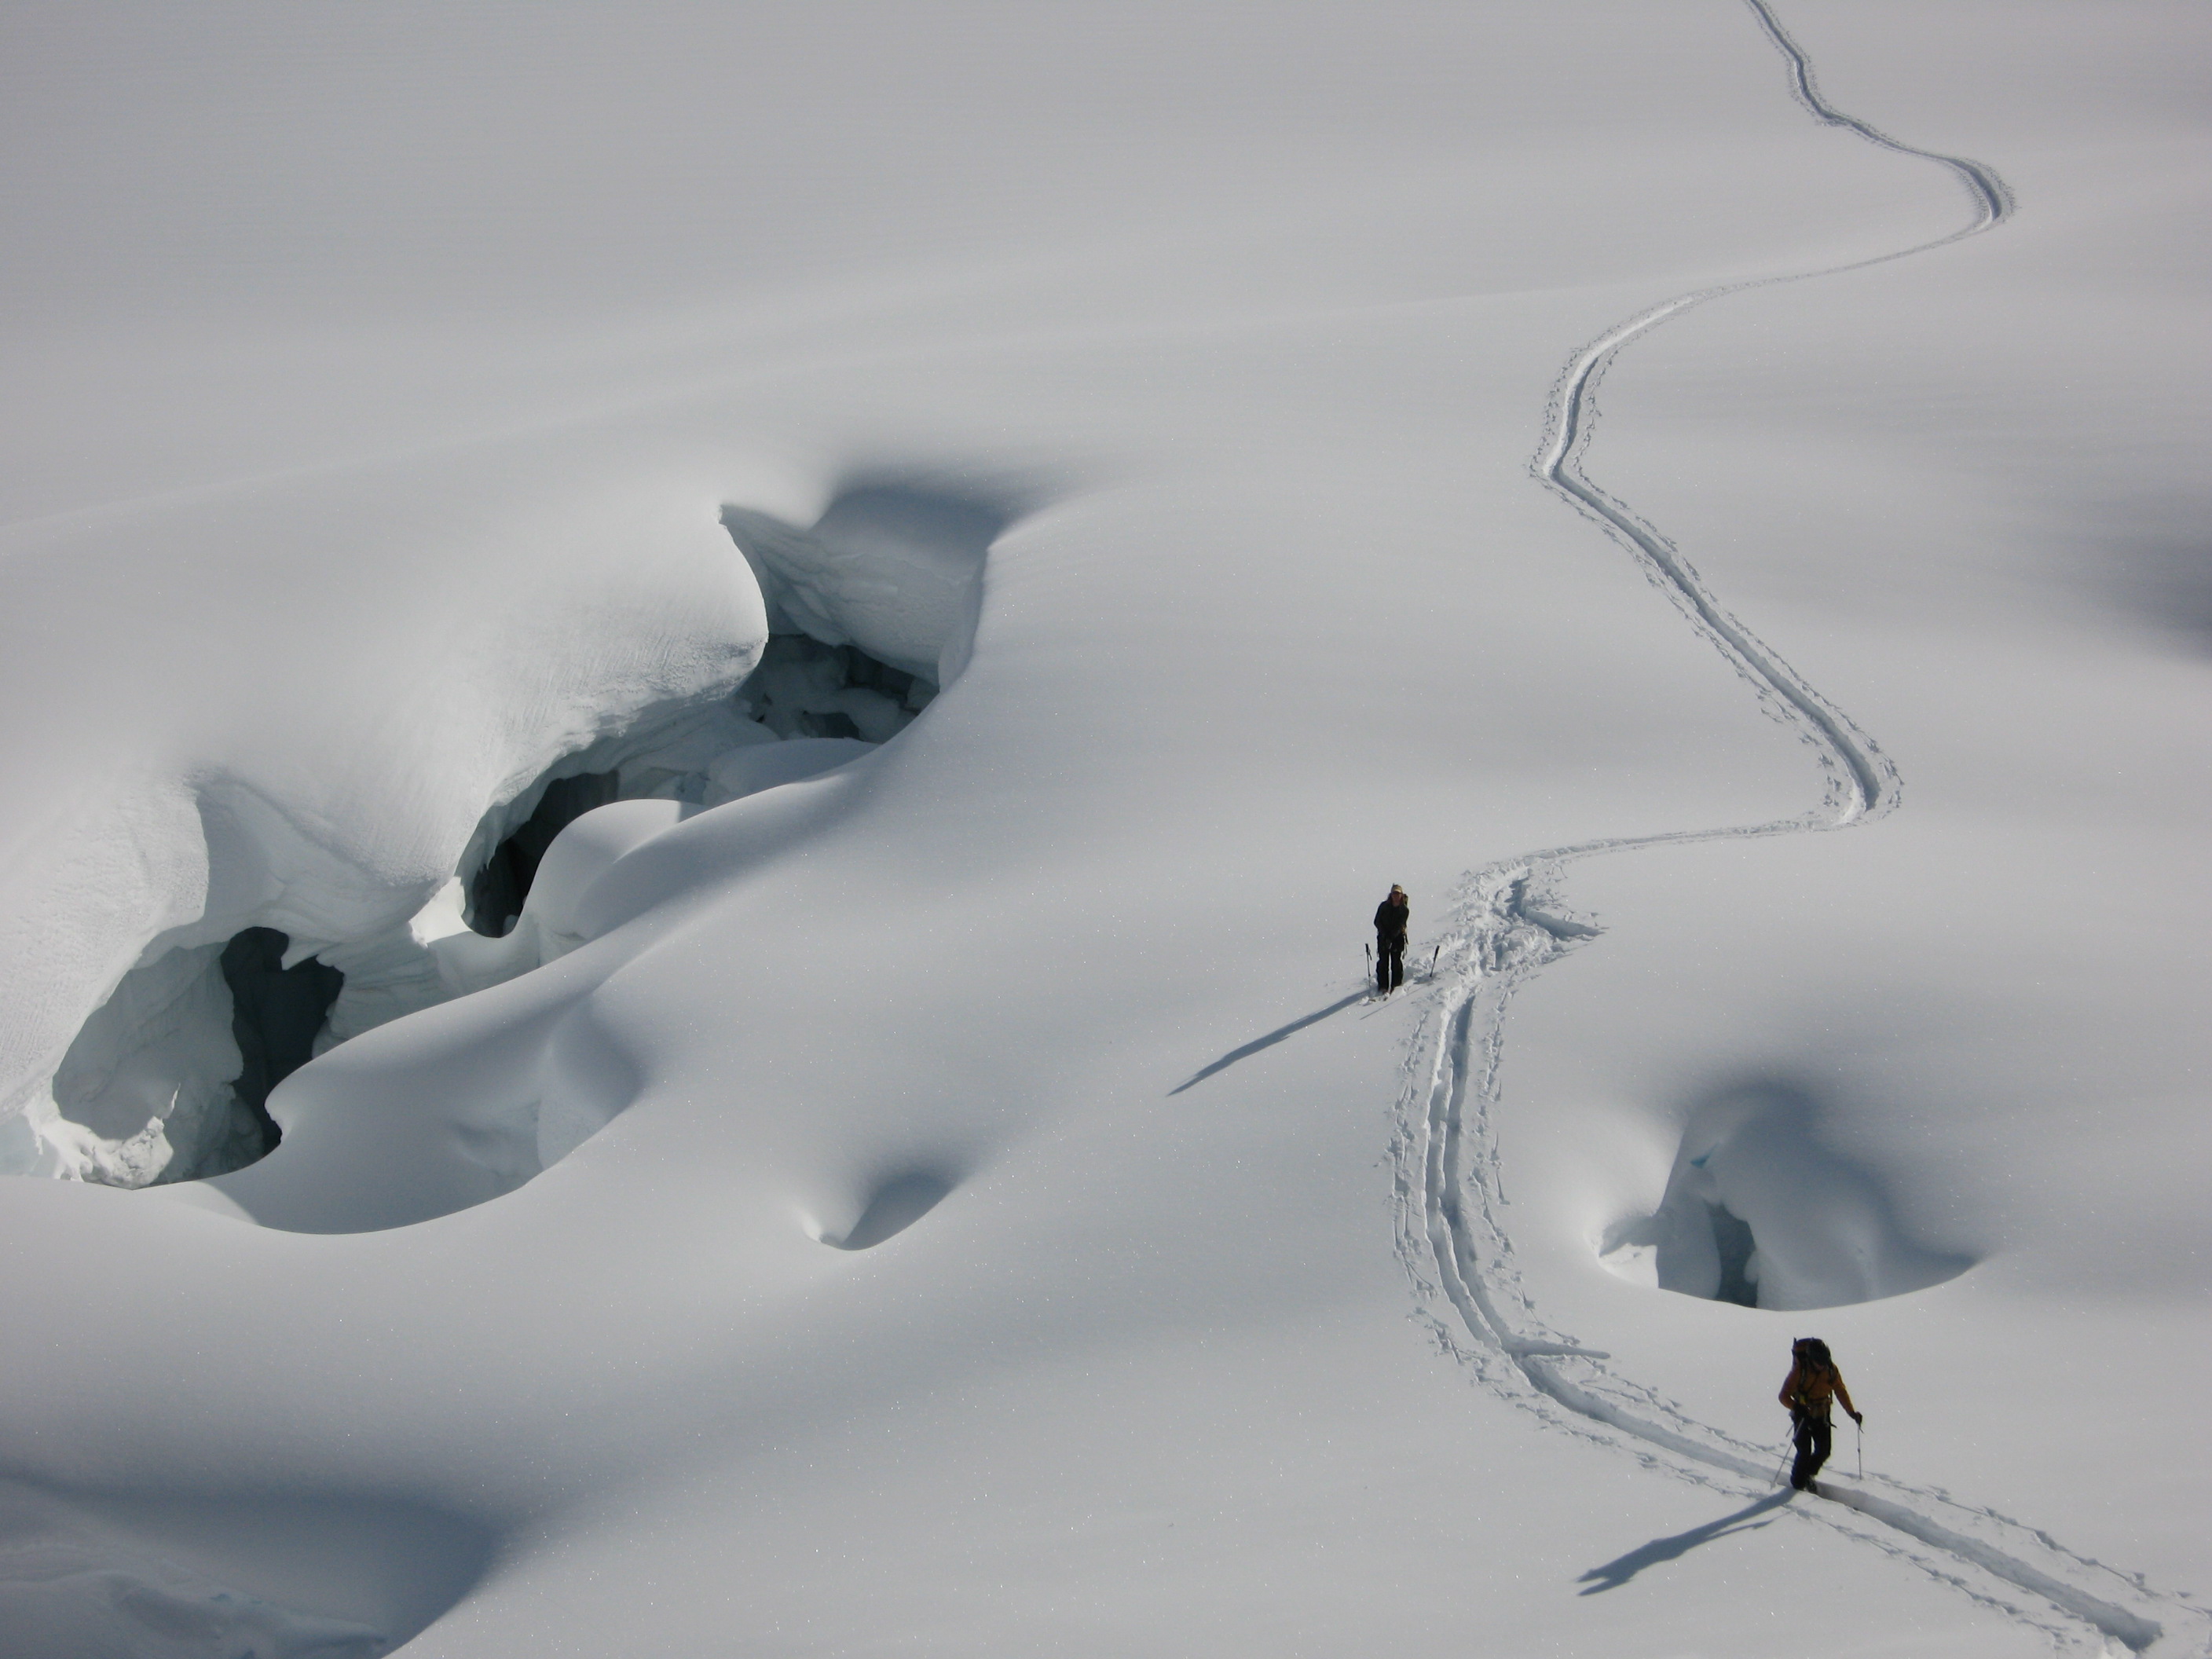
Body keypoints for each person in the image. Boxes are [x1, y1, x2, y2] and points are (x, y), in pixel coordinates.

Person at [1778, 1335, 1862, 1490]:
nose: (1822, 1366)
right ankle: (1798, 1483)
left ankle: (1808, 1476)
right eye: (1819, 1362)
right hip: (1803, 1416)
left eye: (1824, 1362)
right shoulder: (1800, 1371)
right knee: (1804, 1451)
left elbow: (1840, 1391)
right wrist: (1797, 1407)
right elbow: (1783, 1396)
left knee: (1824, 1451)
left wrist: (1851, 1412)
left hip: (1822, 1414)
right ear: (1811, 1359)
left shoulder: (1831, 1370)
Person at [1373, 884, 1409, 995]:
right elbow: (1377, 921)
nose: (1396, 896)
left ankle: (1396, 985)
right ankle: (1383, 986)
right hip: (1383, 938)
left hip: (1397, 939)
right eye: (1394, 893)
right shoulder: (1384, 906)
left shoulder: (1404, 909)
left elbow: (1400, 925)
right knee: (1383, 963)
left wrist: (1391, 937)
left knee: (1396, 963)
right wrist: (1384, 935)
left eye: (1398, 893)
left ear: (1401, 895)